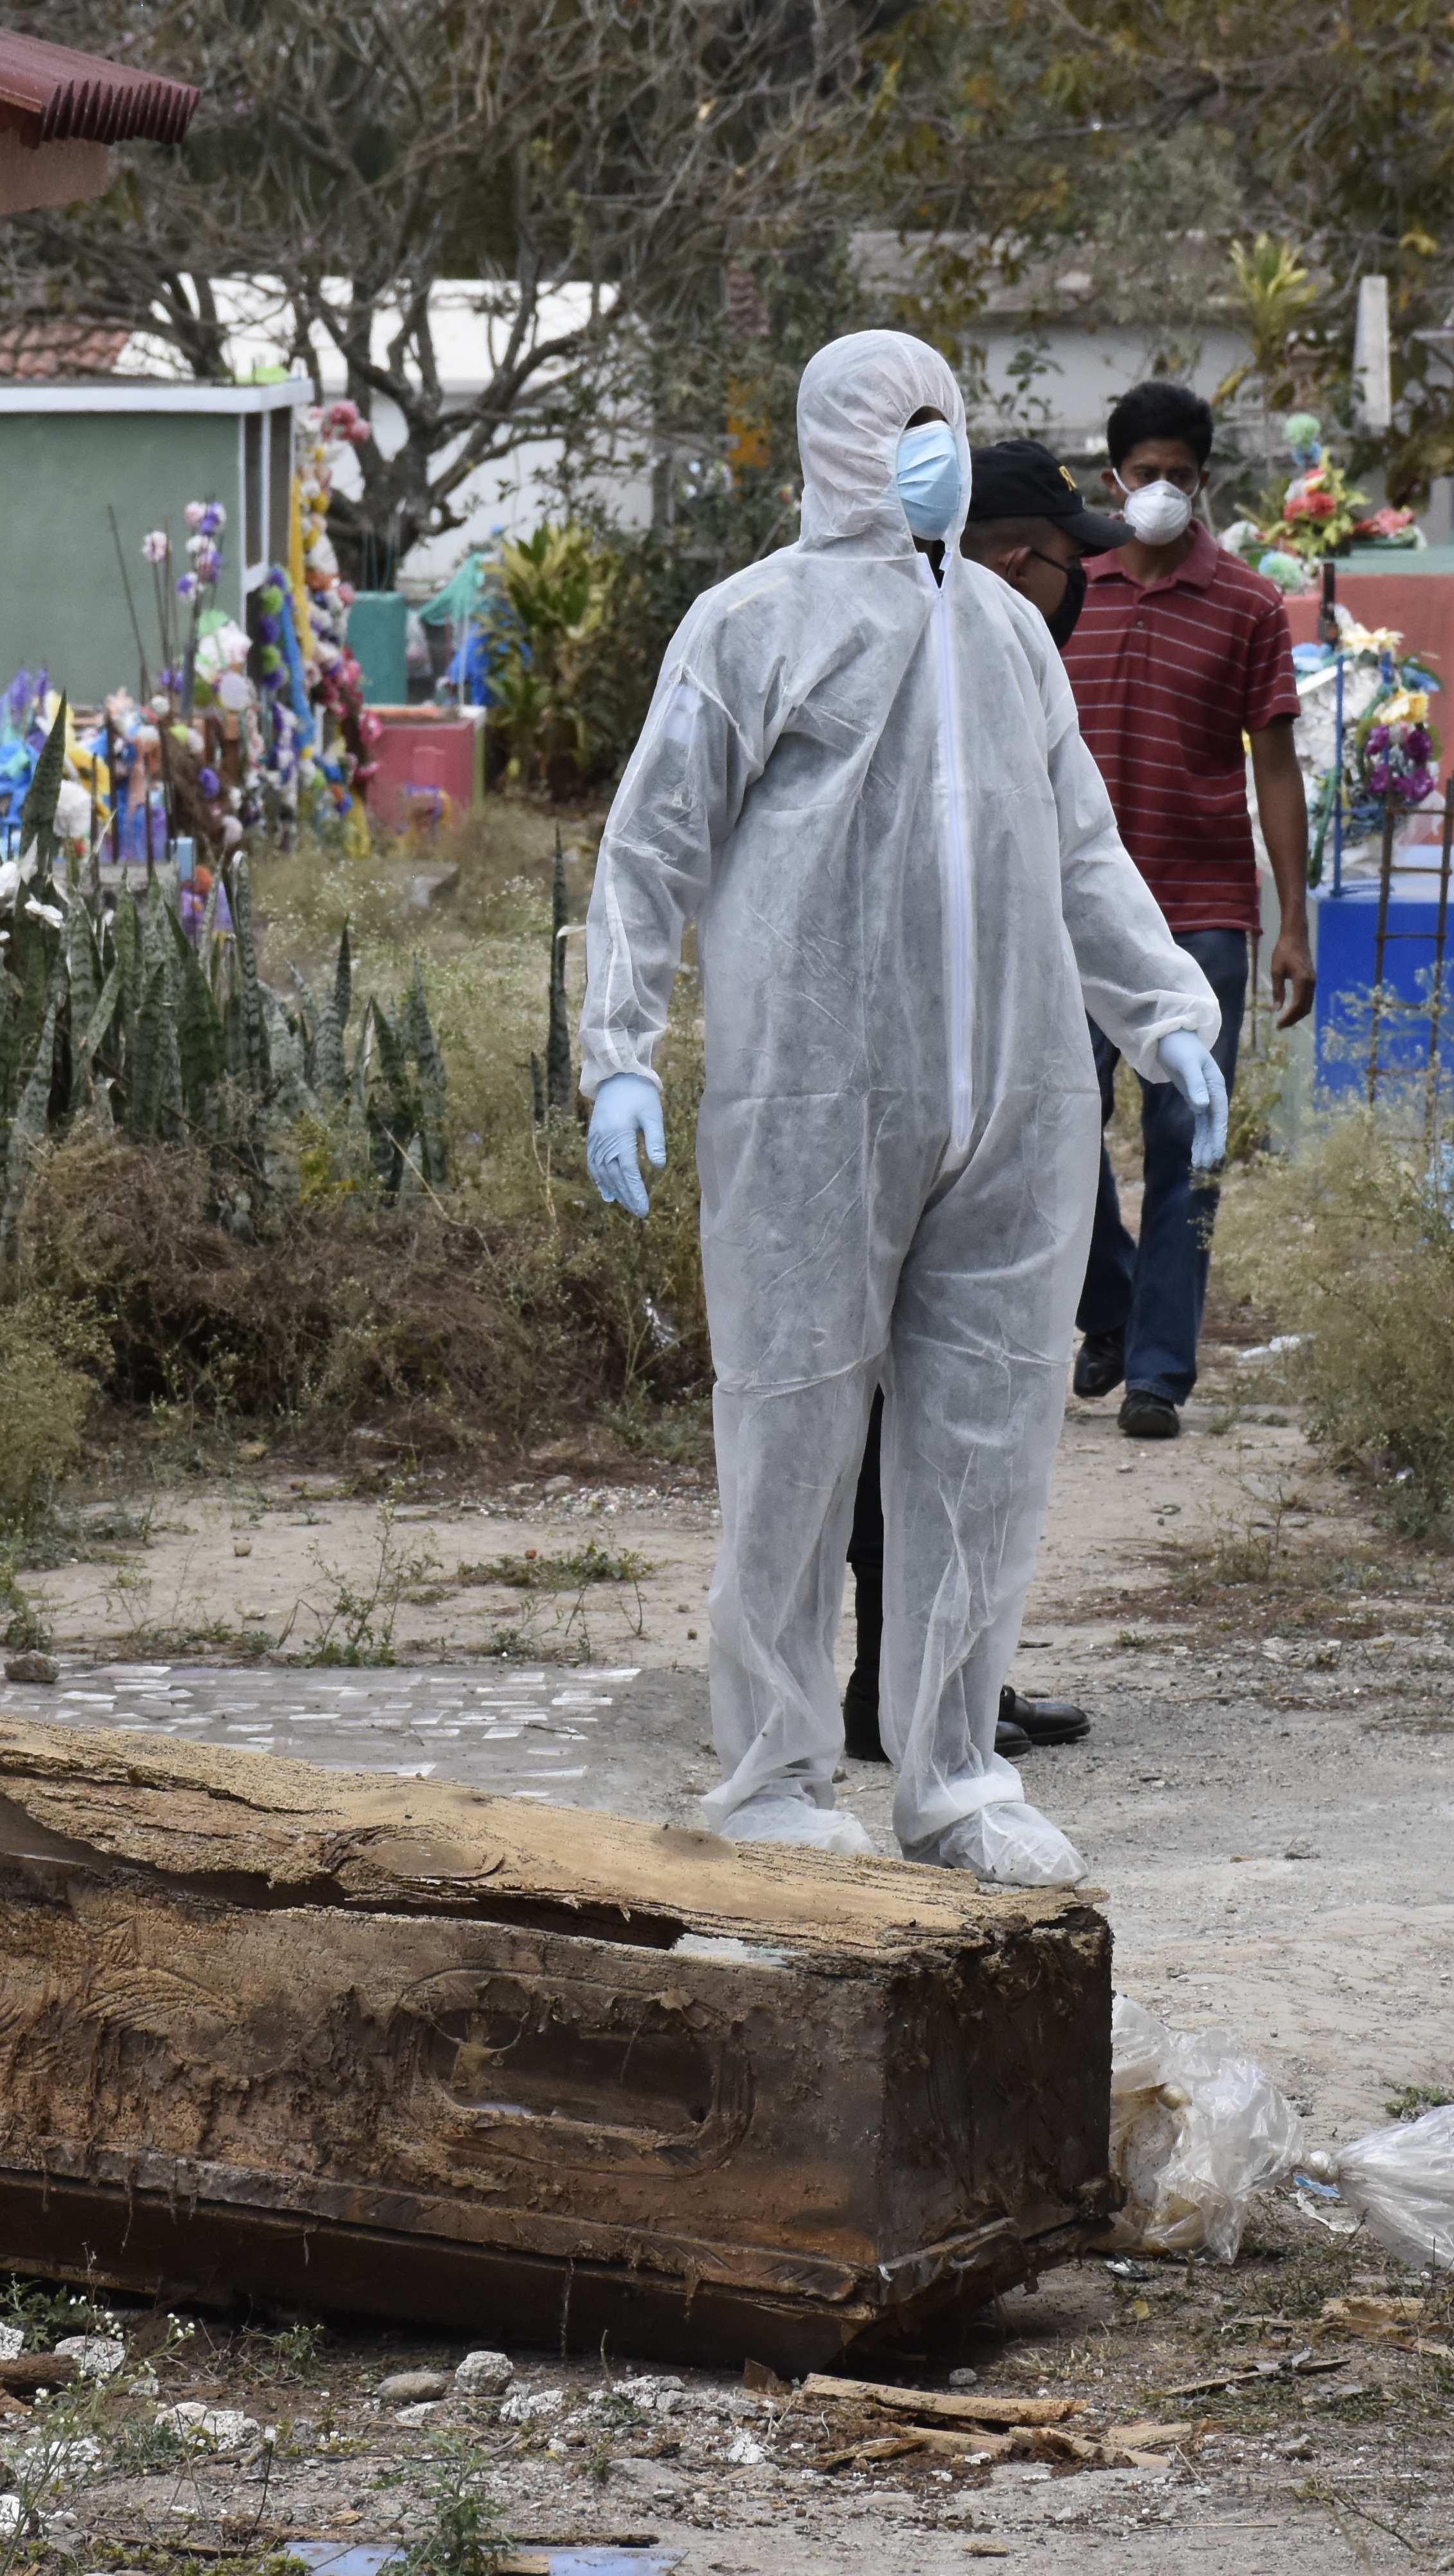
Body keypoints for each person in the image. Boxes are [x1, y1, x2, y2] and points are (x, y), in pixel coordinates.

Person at [578, 334, 1227, 1887]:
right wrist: (617, 1048)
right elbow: (651, 845)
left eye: (949, 420)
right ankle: (769, 1771)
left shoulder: (1006, 632)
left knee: (987, 1440)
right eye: (908, 423)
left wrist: (1169, 1014)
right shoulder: (751, 625)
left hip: (1014, 1105)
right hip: (809, 1106)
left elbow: (1081, 851)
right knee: (795, 1428)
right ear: (841, 442)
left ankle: (951, 1772)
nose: (934, 448)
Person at [839, 437, 1135, 1767]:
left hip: (973, 1068)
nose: (1082, 589)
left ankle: (943, 1675)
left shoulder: (992, 657)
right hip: (878, 1078)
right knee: (886, 1398)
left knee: (950, 1394)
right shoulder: (905, 653)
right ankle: (890, 1686)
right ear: (1018, 556)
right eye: (1074, 563)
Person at [1064, 380, 1316, 1439]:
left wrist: (1291, 922)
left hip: (1203, 913)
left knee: (1187, 1141)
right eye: (1143, 473)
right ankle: (1110, 1305)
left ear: (1204, 480)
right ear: (1110, 479)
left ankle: (1161, 1370)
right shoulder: (1062, 590)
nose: (1161, 491)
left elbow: (1276, 768)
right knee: (1051, 1131)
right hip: (1071, 916)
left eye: (1180, 473)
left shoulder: (1250, 603)